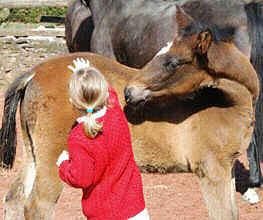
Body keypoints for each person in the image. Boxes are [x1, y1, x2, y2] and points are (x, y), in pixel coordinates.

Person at [56, 58, 149, 220]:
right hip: (136, 210)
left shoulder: (78, 137)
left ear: (72, 101)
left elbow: (81, 179)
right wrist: (89, 70)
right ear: (104, 93)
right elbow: (109, 92)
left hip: (104, 214)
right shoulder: (116, 113)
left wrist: (63, 165)